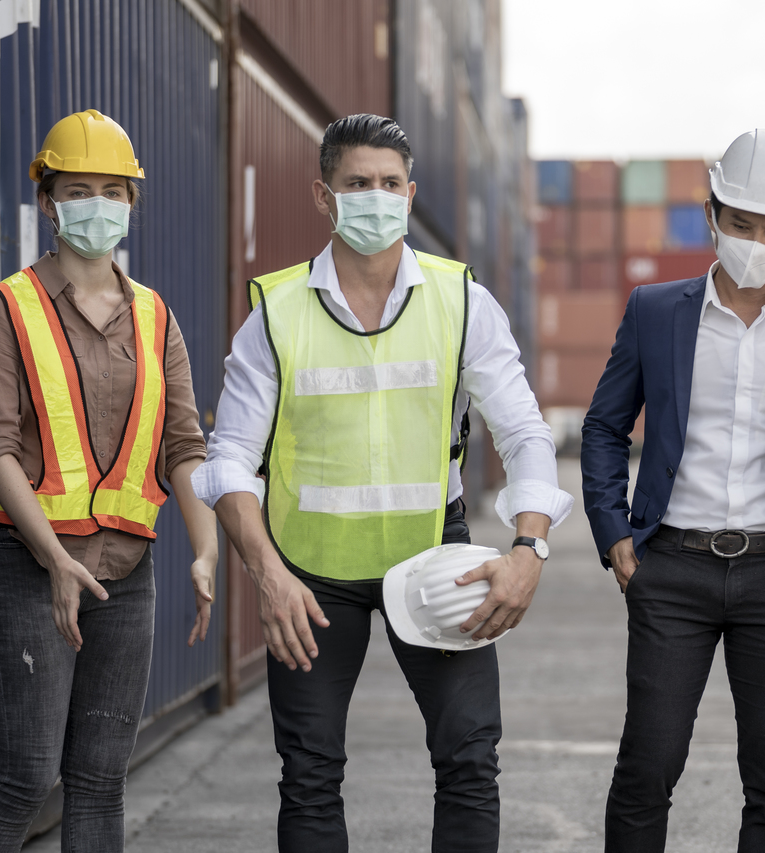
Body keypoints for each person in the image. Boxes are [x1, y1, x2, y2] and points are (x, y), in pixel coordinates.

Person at [190, 113, 571, 852]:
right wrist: (268, 575)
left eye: (389, 184)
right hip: (307, 572)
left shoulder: (462, 301)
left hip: (432, 555)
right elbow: (229, 457)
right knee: (308, 774)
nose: (376, 197)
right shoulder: (276, 312)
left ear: (411, 192)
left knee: (468, 760)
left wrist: (530, 548)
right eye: (357, 183)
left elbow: (524, 432)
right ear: (322, 196)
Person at [581, 128, 765, 853]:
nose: (756, 241)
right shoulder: (656, 310)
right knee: (647, 767)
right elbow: (601, 428)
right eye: (741, 222)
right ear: (712, 212)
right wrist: (614, 535)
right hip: (672, 569)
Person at [0, 109, 217, 851]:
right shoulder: (6, 308)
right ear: (47, 200)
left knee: (102, 782)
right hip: (27, 567)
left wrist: (204, 548)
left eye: (113, 189)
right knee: (27, 777)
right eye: (77, 188)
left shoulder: (156, 317)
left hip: (127, 573)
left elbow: (183, 443)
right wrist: (55, 558)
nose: (96, 204)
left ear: (132, 201)